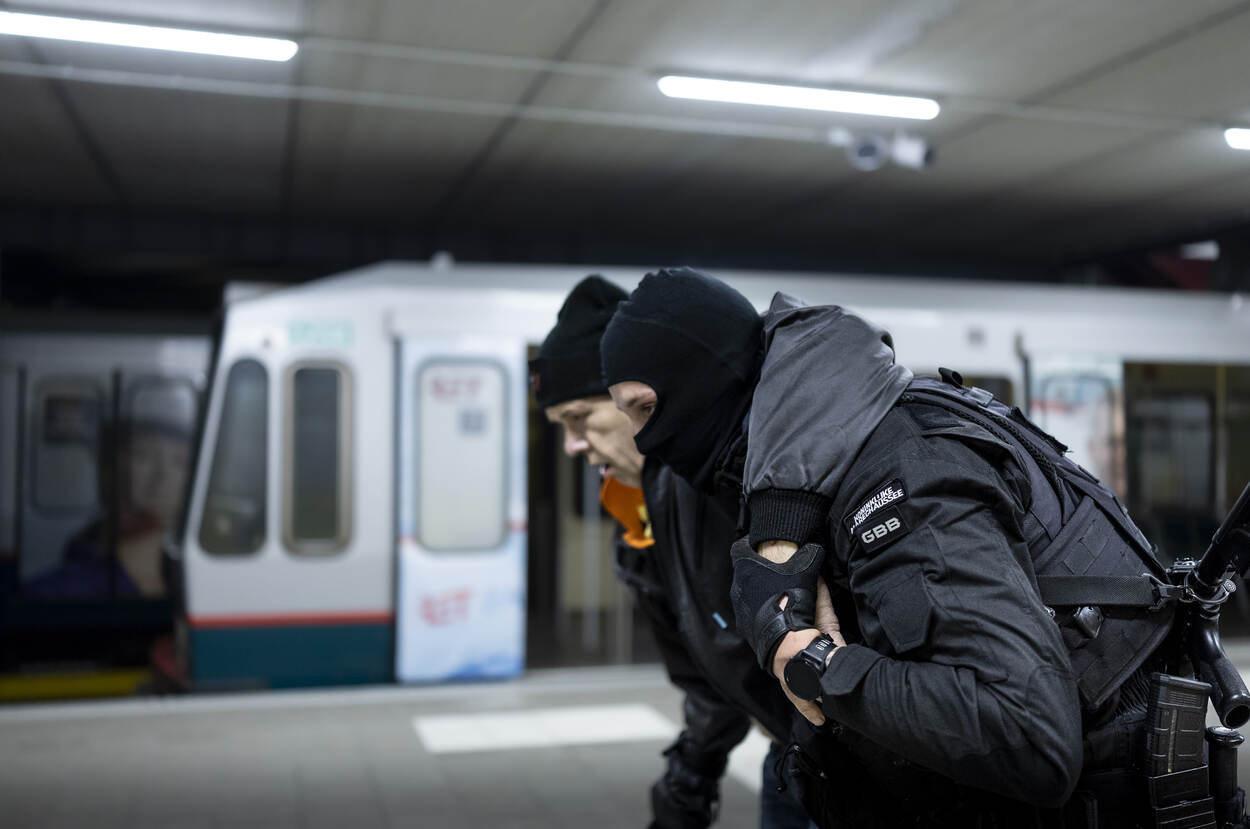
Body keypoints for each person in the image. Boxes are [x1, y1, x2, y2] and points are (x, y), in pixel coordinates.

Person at [602, 268, 1204, 828]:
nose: (645, 441)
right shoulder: (808, 477)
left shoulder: (899, 474)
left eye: (648, 408)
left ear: (707, 377)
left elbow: (1026, 735)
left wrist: (813, 665)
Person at [530, 275, 816, 829]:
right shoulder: (634, 511)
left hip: (843, 754)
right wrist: (693, 773)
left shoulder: (720, 487)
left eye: (580, 419)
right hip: (794, 752)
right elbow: (709, 670)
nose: (571, 446)